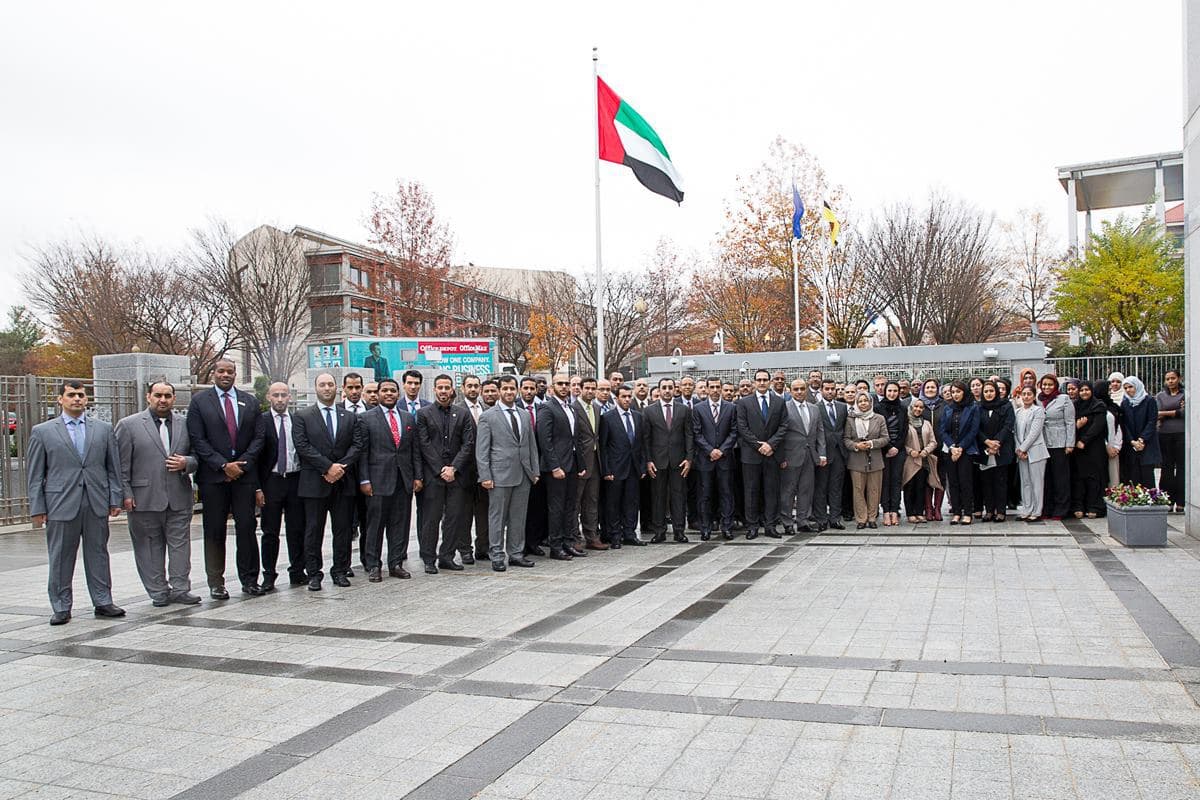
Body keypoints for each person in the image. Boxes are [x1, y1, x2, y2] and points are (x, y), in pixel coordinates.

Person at [28, 380, 124, 625]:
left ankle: (103, 601)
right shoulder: (43, 431)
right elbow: (36, 474)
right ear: (60, 399)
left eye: (81, 395)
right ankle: (61, 606)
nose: (77, 399)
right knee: (60, 556)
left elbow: (113, 468)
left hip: (96, 501)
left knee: (98, 554)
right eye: (71, 395)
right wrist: (38, 508)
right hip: (60, 503)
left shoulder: (102, 429)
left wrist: (115, 498)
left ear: (87, 399)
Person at [186, 358, 264, 599]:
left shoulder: (249, 402)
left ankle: (250, 579)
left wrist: (242, 464)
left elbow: (259, 438)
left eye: (230, 371)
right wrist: (222, 465)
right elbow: (197, 439)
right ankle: (216, 582)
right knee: (214, 531)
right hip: (213, 478)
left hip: (244, 475)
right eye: (221, 371)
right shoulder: (200, 402)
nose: (226, 375)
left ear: (235, 374)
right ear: (214, 374)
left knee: (247, 528)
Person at [115, 381, 198, 606]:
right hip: (144, 498)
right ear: (148, 396)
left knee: (180, 546)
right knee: (149, 547)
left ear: (174, 398)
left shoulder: (185, 424)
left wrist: (187, 463)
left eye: (168, 396)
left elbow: (197, 454)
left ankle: (181, 589)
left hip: (179, 496)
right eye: (158, 395)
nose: (163, 400)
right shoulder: (128, 425)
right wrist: (126, 494)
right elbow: (121, 465)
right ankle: (158, 591)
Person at [293, 373, 362, 591]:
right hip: (315, 482)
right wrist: (327, 467)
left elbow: (357, 445)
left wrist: (340, 467)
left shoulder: (349, 417)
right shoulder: (303, 416)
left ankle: (340, 570)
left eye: (330, 384)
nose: (326, 388)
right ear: (315, 388)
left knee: (343, 529)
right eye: (322, 385)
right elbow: (302, 446)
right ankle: (314, 573)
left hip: (343, 482)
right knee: (314, 530)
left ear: (337, 388)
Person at [357, 378, 422, 580]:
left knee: (400, 524)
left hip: (403, 480)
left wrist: (417, 476)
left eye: (392, 391)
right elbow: (363, 453)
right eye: (384, 390)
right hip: (378, 481)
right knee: (375, 525)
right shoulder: (366, 418)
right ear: (377, 393)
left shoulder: (408, 418)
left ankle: (395, 563)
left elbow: (414, 451)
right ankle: (373, 565)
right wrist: (364, 480)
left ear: (398, 393)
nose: (389, 394)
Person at [475, 375, 538, 570]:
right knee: (497, 517)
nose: (509, 392)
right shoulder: (488, 416)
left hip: (523, 474)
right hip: (499, 475)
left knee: (518, 517)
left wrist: (534, 470)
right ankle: (496, 555)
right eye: (505, 389)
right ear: (500, 391)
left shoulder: (524, 414)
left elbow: (530, 445)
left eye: (512, 389)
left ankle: (516, 554)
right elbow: (482, 450)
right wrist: (485, 475)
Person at [417, 374, 476, 573]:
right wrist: (440, 469)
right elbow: (424, 444)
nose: (443, 391)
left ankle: (447, 556)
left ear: (452, 390)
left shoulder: (462, 414)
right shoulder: (424, 414)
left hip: (457, 475)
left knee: (454, 517)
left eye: (447, 387)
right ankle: (428, 558)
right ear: (434, 389)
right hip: (434, 476)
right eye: (440, 387)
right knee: (431, 519)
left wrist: (454, 468)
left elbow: (468, 443)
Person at [255, 382, 306, 589]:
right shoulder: (261, 421)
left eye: (283, 395)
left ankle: (297, 570)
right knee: (270, 531)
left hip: (294, 479)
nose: (280, 399)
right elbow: (256, 457)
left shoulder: (298, 420)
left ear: (290, 398)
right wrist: (258, 487)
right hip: (272, 481)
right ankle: (269, 574)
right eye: (275, 395)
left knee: (297, 529)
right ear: (268, 397)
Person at [536, 373, 587, 560]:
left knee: (570, 506)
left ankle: (568, 542)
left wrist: (580, 464)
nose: (564, 387)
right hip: (556, 467)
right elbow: (545, 440)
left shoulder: (572, 409)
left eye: (567, 384)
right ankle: (555, 545)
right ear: (553, 386)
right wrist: (554, 466)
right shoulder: (546, 408)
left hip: (572, 464)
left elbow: (576, 439)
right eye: (560, 384)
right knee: (556, 508)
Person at [736, 369, 787, 539]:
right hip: (751, 455)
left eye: (765, 379)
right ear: (754, 382)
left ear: (770, 381)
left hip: (772, 454)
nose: (762, 382)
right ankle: (752, 526)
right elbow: (742, 428)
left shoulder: (779, 402)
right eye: (759, 379)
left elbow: (784, 426)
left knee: (771, 491)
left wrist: (770, 444)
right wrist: (759, 445)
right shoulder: (744, 403)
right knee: (751, 491)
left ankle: (770, 526)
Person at [643, 377, 694, 543]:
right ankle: (659, 531)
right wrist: (648, 460)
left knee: (678, 496)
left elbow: (689, 435)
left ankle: (679, 530)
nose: (667, 390)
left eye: (670, 387)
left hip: (679, 461)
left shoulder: (684, 410)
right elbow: (646, 438)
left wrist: (689, 458)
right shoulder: (649, 411)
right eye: (663, 387)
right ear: (659, 390)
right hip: (657, 462)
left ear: (674, 389)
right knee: (658, 497)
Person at [598, 384, 647, 548]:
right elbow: (603, 446)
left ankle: (629, 533)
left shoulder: (638, 416)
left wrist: (642, 466)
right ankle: (615, 535)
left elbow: (641, 444)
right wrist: (606, 470)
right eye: (623, 397)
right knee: (613, 504)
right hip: (615, 468)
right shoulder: (607, 418)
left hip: (633, 468)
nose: (627, 399)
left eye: (629, 397)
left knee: (631, 503)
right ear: (617, 398)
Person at [779, 377, 826, 533]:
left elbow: (820, 432)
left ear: (806, 390)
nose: (799, 392)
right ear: (790, 391)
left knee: (806, 490)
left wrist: (822, 454)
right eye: (796, 389)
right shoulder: (784, 408)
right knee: (788, 491)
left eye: (802, 389)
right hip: (790, 457)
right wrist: (781, 458)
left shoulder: (814, 408)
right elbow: (780, 434)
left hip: (810, 456)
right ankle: (787, 522)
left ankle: (803, 521)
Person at [693, 376, 736, 541]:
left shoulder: (731, 408)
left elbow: (734, 431)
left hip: (725, 459)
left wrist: (722, 450)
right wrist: (710, 450)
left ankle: (727, 527)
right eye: (712, 387)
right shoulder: (698, 409)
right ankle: (705, 528)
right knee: (705, 495)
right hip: (705, 459)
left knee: (726, 494)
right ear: (707, 388)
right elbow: (697, 433)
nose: (716, 390)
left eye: (718, 387)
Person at [844, 391, 889, 529]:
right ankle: (861, 519)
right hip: (856, 459)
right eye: (860, 401)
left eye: (866, 400)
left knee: (874, 490)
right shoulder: (850, 419)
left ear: (871, 402)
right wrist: (856, 445)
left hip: (875, 459)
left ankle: (872, 517)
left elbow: (885, 438)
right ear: (856, 404)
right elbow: (846, 439)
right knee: (858, 490)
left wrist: (871, 444)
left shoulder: (879, 418)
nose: (863, 403)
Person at [457, 374, 489, 562]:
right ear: (463, 388)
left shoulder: (486, 409)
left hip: (484, 470)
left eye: (476, 386)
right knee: (465, 512)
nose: (473, 389)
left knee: (484, 512)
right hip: (465, 470)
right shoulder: (458, 410)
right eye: (469, 386)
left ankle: (483, 548)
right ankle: (465, 549)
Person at [939, 380, 980, 526]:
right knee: (953, 482)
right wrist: (952, 446)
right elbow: (942, 430)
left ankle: (968, 512)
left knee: (966, 482)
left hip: (966, 450)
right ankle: (956, 512)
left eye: (958, 392)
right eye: (953, 392)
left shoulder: (973, 408)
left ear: (964, 392)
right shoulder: (947, 409)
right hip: (950, 451)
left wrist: (961, 447)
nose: (955, 395)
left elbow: (973, 430)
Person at [573, 376, 606, 551]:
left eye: (593, 388)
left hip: (595, 461)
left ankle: (591, 536)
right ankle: (575, 537)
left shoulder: (596, 407)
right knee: (575, 502)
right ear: (580, 388)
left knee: (592, 501)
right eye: (587, 388)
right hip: (580, 463)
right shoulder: (573, 408)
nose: (590, 391)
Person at [974, 381, 1014, 523]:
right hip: (984, 449)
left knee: (1000, 481)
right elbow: (975, 428)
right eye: (986, 391)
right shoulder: (978, 407)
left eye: (991, 391)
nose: (989, 394)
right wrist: (987, 443)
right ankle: (989, 510)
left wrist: (996, 443)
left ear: (996, 392)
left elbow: (1008, 425)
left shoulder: (1006, 405)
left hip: (1001, 449)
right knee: (986, 481)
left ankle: (1001, 511)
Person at [812, 379, 848, 531]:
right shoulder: (815, 408)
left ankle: (835, 518)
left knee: (836, 487)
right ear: (821, 390)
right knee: (821, 487)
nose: (831, 391)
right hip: (823, 453)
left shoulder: (842, 407)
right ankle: (821, 519)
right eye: (827, 389)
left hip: (839, 453)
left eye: (833, 389)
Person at [1038, 374, 1075, 520]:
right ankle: (1047, 507)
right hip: (1043, 443)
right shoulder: (1038, 399)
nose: (1047, 387)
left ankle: (1061, 509)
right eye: (1044, 385)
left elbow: (1070, 422)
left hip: (1060, 442)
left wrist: (1070, 443)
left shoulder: (1064, 399)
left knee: (1060, 478)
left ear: (1055, 386)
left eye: (1050, 385)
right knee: (1046, 478)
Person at [1070, 381, 1107, 519]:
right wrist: (1077, 427)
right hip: (1077, 449)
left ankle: (1094, 506)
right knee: (1078, 477)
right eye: (1081, 390)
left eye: (1087, 390)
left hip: (1094, 447)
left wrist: (1084, 440)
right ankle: (1079, 506)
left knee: (1094, 478)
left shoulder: (1099, 405)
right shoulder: (1075, 406)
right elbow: (1070, 425)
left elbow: (1098, 426)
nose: (1084, 393)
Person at [901, 398, 939, 524]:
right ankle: (910, 513)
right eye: (915, 407)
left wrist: (926, 451)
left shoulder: (926, 423)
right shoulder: (905, 422)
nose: (918, 409)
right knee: (910, 486)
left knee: (921, 486)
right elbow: (901, 442)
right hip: (910, 460)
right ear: (911, 407)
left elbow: (933, 441)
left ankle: (919, 512)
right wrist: (910, 451)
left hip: (924, 459)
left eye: (920, 407)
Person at [1014, 386, 1049, 521]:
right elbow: (1016, 432)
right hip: (1021, 453)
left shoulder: (1038, 411)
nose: (1026, 396)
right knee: (1026, 482)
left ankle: (1037, 511)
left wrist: (1024, 448)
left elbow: (1034, 432)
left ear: (1034, 396)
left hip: (1036, 450)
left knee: (1037, 482)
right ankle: (1027, 509)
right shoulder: (1018, 412)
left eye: (1029, 394)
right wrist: (1019, 449)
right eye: (1024, 394)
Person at [1121, 376, 1161, 489]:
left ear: (1137, 386)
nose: (1128, 390)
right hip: (1132, 445)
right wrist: (1132, 441)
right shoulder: (1125, 403)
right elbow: (1124, 424)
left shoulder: (1149, 400)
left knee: (1147, 475)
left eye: (1130, 387)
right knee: (1134, 477)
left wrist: (1142, 439)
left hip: (1147, 444)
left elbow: (1152, 421)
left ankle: (1150, 501)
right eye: (1126, 388)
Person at [876, 381, 905, 526]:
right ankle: (886, 512)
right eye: (889, 391)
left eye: (895, 391)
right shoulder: (878, 408)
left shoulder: (903, 409)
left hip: (899, 450)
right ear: (885, 392)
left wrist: (896, 448)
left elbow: (904, 431)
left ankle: (895, 511)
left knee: (896, 481)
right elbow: (878, 431)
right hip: (883, 450)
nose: (892, 394)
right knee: (885, 481)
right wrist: (888, 447)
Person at [1156, 370, 1185, 512]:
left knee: (1181, 469)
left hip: (1182, 434)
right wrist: (1176, 412)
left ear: (1179, 378)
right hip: (1164, 435)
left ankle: (1181, 502)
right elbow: (1157, 413)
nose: (1170, 381)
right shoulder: (1160, 396)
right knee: (1166, 469)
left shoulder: (1185, 394)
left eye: (1173, 378)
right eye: (1167, 379)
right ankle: (1167, 500)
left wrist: (1165, 413)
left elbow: (1185, 413)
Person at [920, 379, 948, 521]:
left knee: (940, 478)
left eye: (933, 387)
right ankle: (928, 508)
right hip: (924, 449)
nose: (930, 390)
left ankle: (937, 508)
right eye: (928, 387)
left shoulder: (944, 405)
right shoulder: (919, 405)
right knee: (926, 479)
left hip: (941, 448)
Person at [1093, 379, 1124, 490]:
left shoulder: (1113, 407)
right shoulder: (1094, 407)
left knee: (1114, 479)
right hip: (1100, 448)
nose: (1110, 392)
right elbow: (1096, 429)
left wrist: (1116, 446)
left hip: (1113, 449)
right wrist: (1106, 446)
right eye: (1108, 390)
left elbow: (1118, 426)